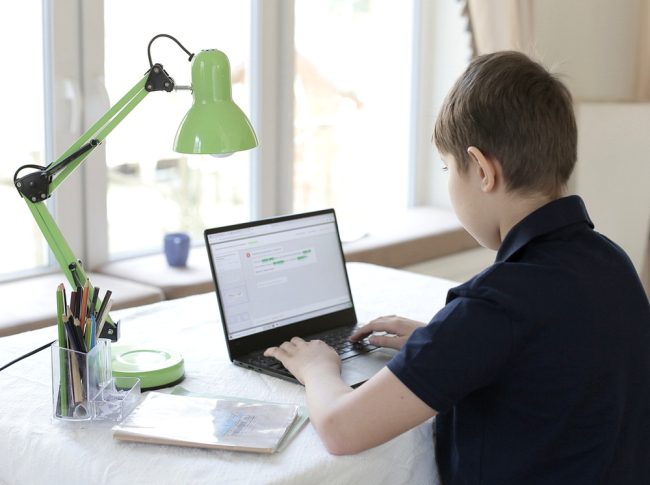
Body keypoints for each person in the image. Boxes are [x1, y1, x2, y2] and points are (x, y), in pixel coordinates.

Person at [264, 51, 650, 484]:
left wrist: (316, 366)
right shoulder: (612, 262)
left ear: (482, 170)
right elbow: (552, 353)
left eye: (448, 167)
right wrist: (443, 343)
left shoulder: (497, 303)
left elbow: (341, 428)